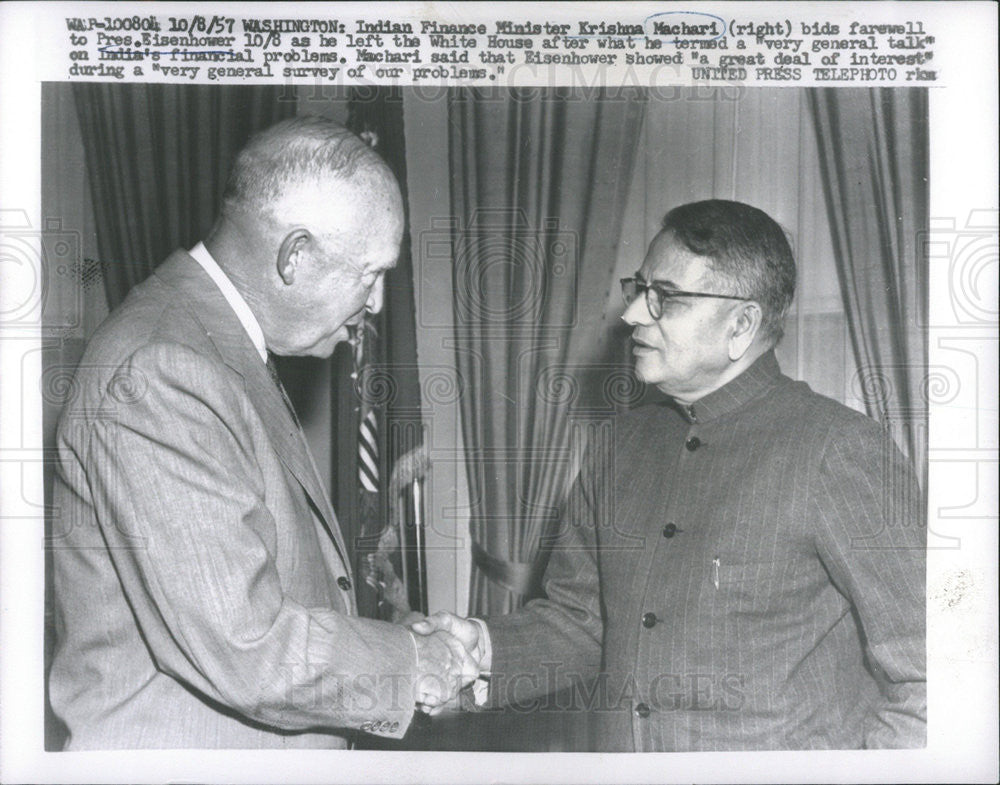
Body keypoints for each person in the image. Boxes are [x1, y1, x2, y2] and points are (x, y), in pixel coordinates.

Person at [413, 199, 926, 751]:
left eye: (666, 299)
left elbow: (932, 676)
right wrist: (485, 645)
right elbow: (583, 623)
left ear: (742, 324)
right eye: (639, 289)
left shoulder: (839, 449)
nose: (632, 314)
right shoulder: (617, 447)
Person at [48, 116, 477, 749]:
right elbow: (246, 645)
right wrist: (413, 662)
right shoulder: (162, 369)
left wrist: (391, 638)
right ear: (295, 256)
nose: (378, 303)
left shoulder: (212, 342)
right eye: (371, 274)